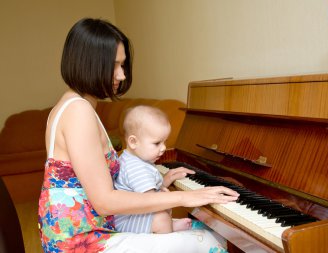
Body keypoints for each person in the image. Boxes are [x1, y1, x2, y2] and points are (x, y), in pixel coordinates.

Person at [38, 17, 239, 253]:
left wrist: (162, 182)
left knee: (199, 229)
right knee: (211, 242)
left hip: (90, 230)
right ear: (88, 63)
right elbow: (105, 202)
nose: (121, 75)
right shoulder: (77, 111)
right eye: (114, 65)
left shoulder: (75, 105)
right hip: (83, 242)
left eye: (122, 65)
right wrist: (185, 198)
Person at [114, 105, 192, 234]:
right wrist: (170, 197)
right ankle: (168, 235)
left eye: (165, 142)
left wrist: (166, 179)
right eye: (157, 143)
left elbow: (146, 189)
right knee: (161, 217)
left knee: (162, 213)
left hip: (133, 214)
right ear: (133, 142)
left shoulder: (134, 158)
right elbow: (150, 201)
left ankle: (169, 225)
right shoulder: (136, 168)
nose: (163, 148)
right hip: (127, 222)